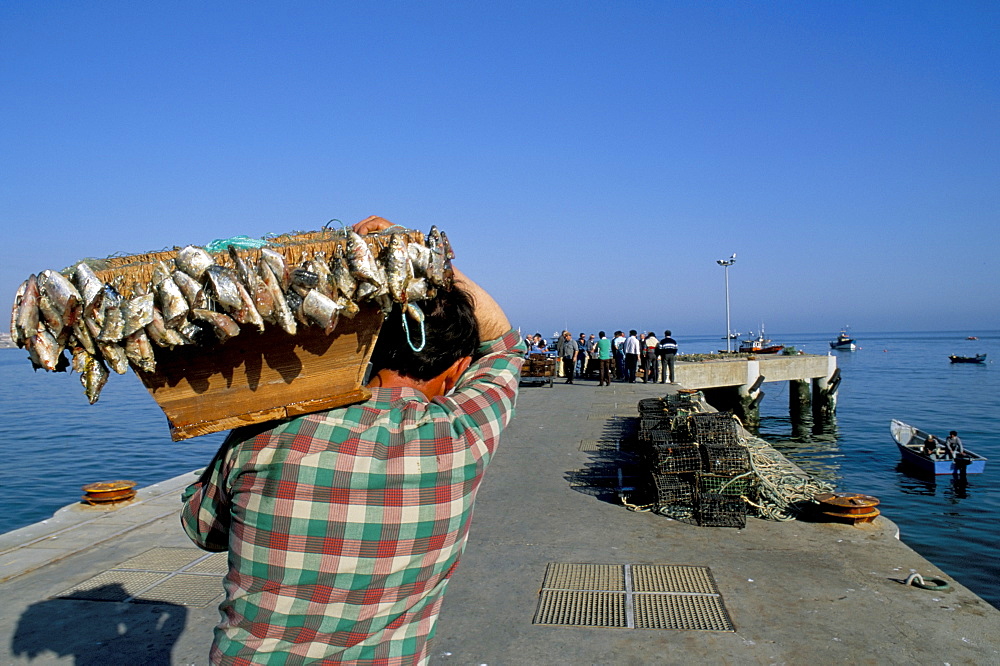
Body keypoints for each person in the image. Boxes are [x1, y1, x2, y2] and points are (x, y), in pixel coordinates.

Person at [181, 216, 525, 664]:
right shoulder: (461, 436)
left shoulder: (265, 432)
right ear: (459, 368)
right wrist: (421, 255)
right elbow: (503, 343)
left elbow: (201, 526)